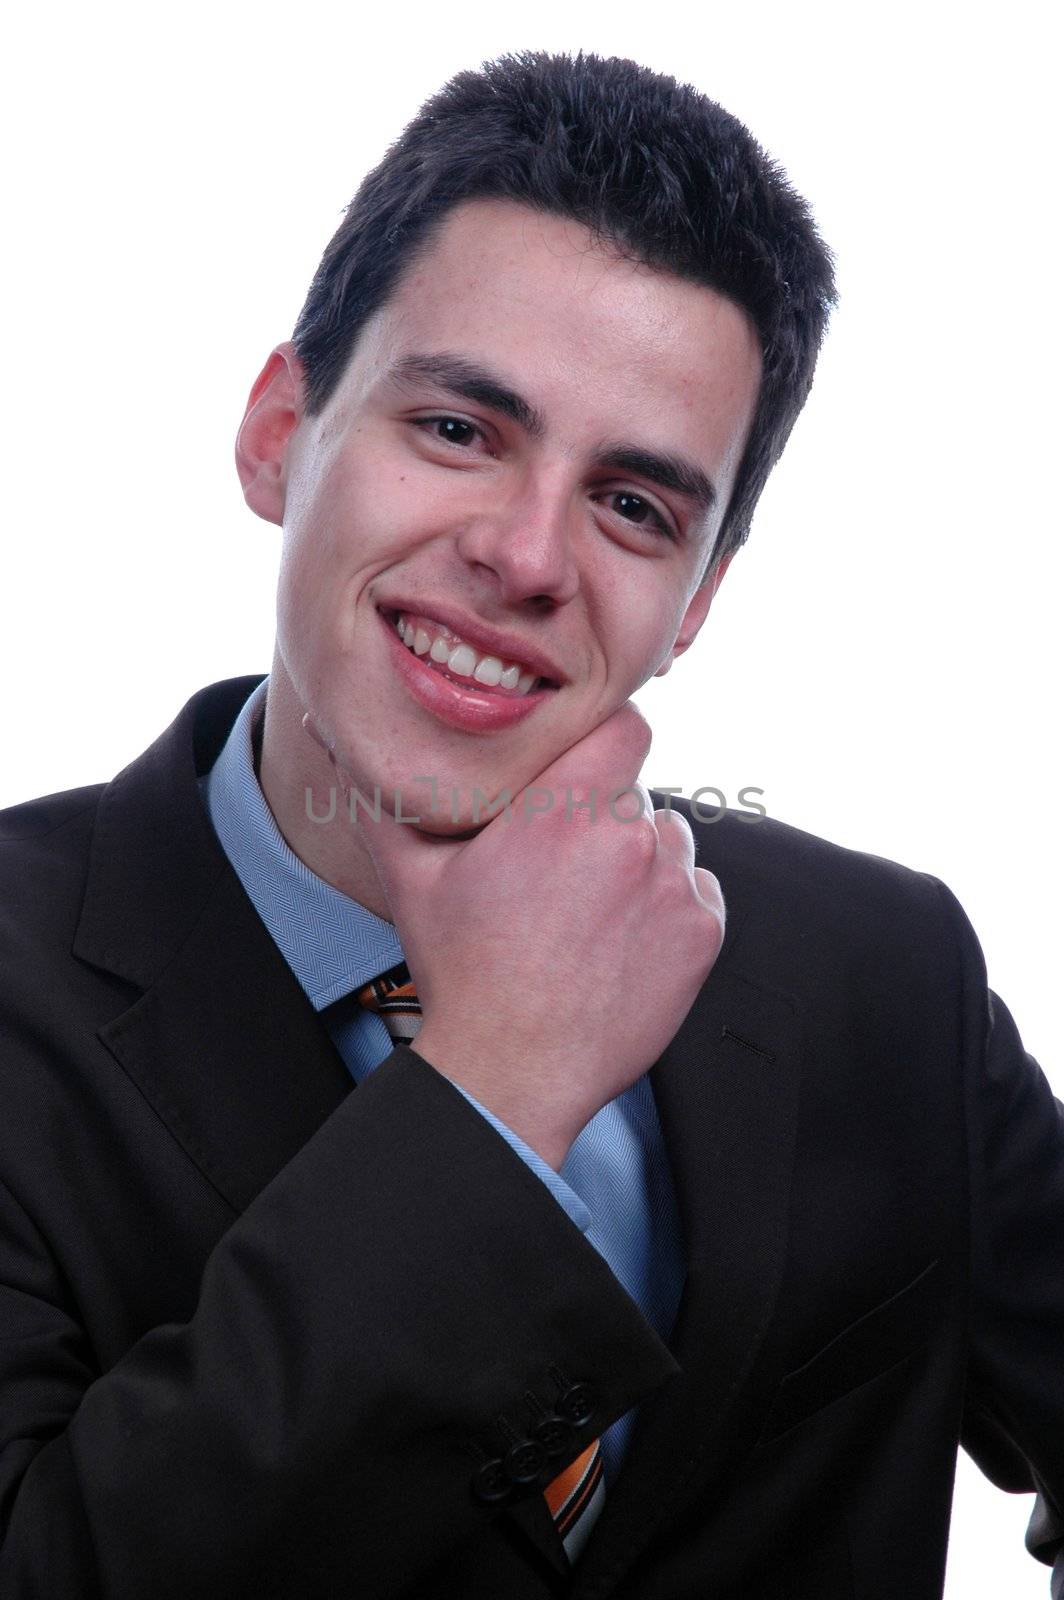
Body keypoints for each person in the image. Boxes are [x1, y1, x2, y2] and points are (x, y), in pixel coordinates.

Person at [0, 47, 1060, 1599]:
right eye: (457, 430)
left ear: (695, 602)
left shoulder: (882, 969)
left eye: (634, 505)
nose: (524, 555)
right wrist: (492, 1094)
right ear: (279, 432)